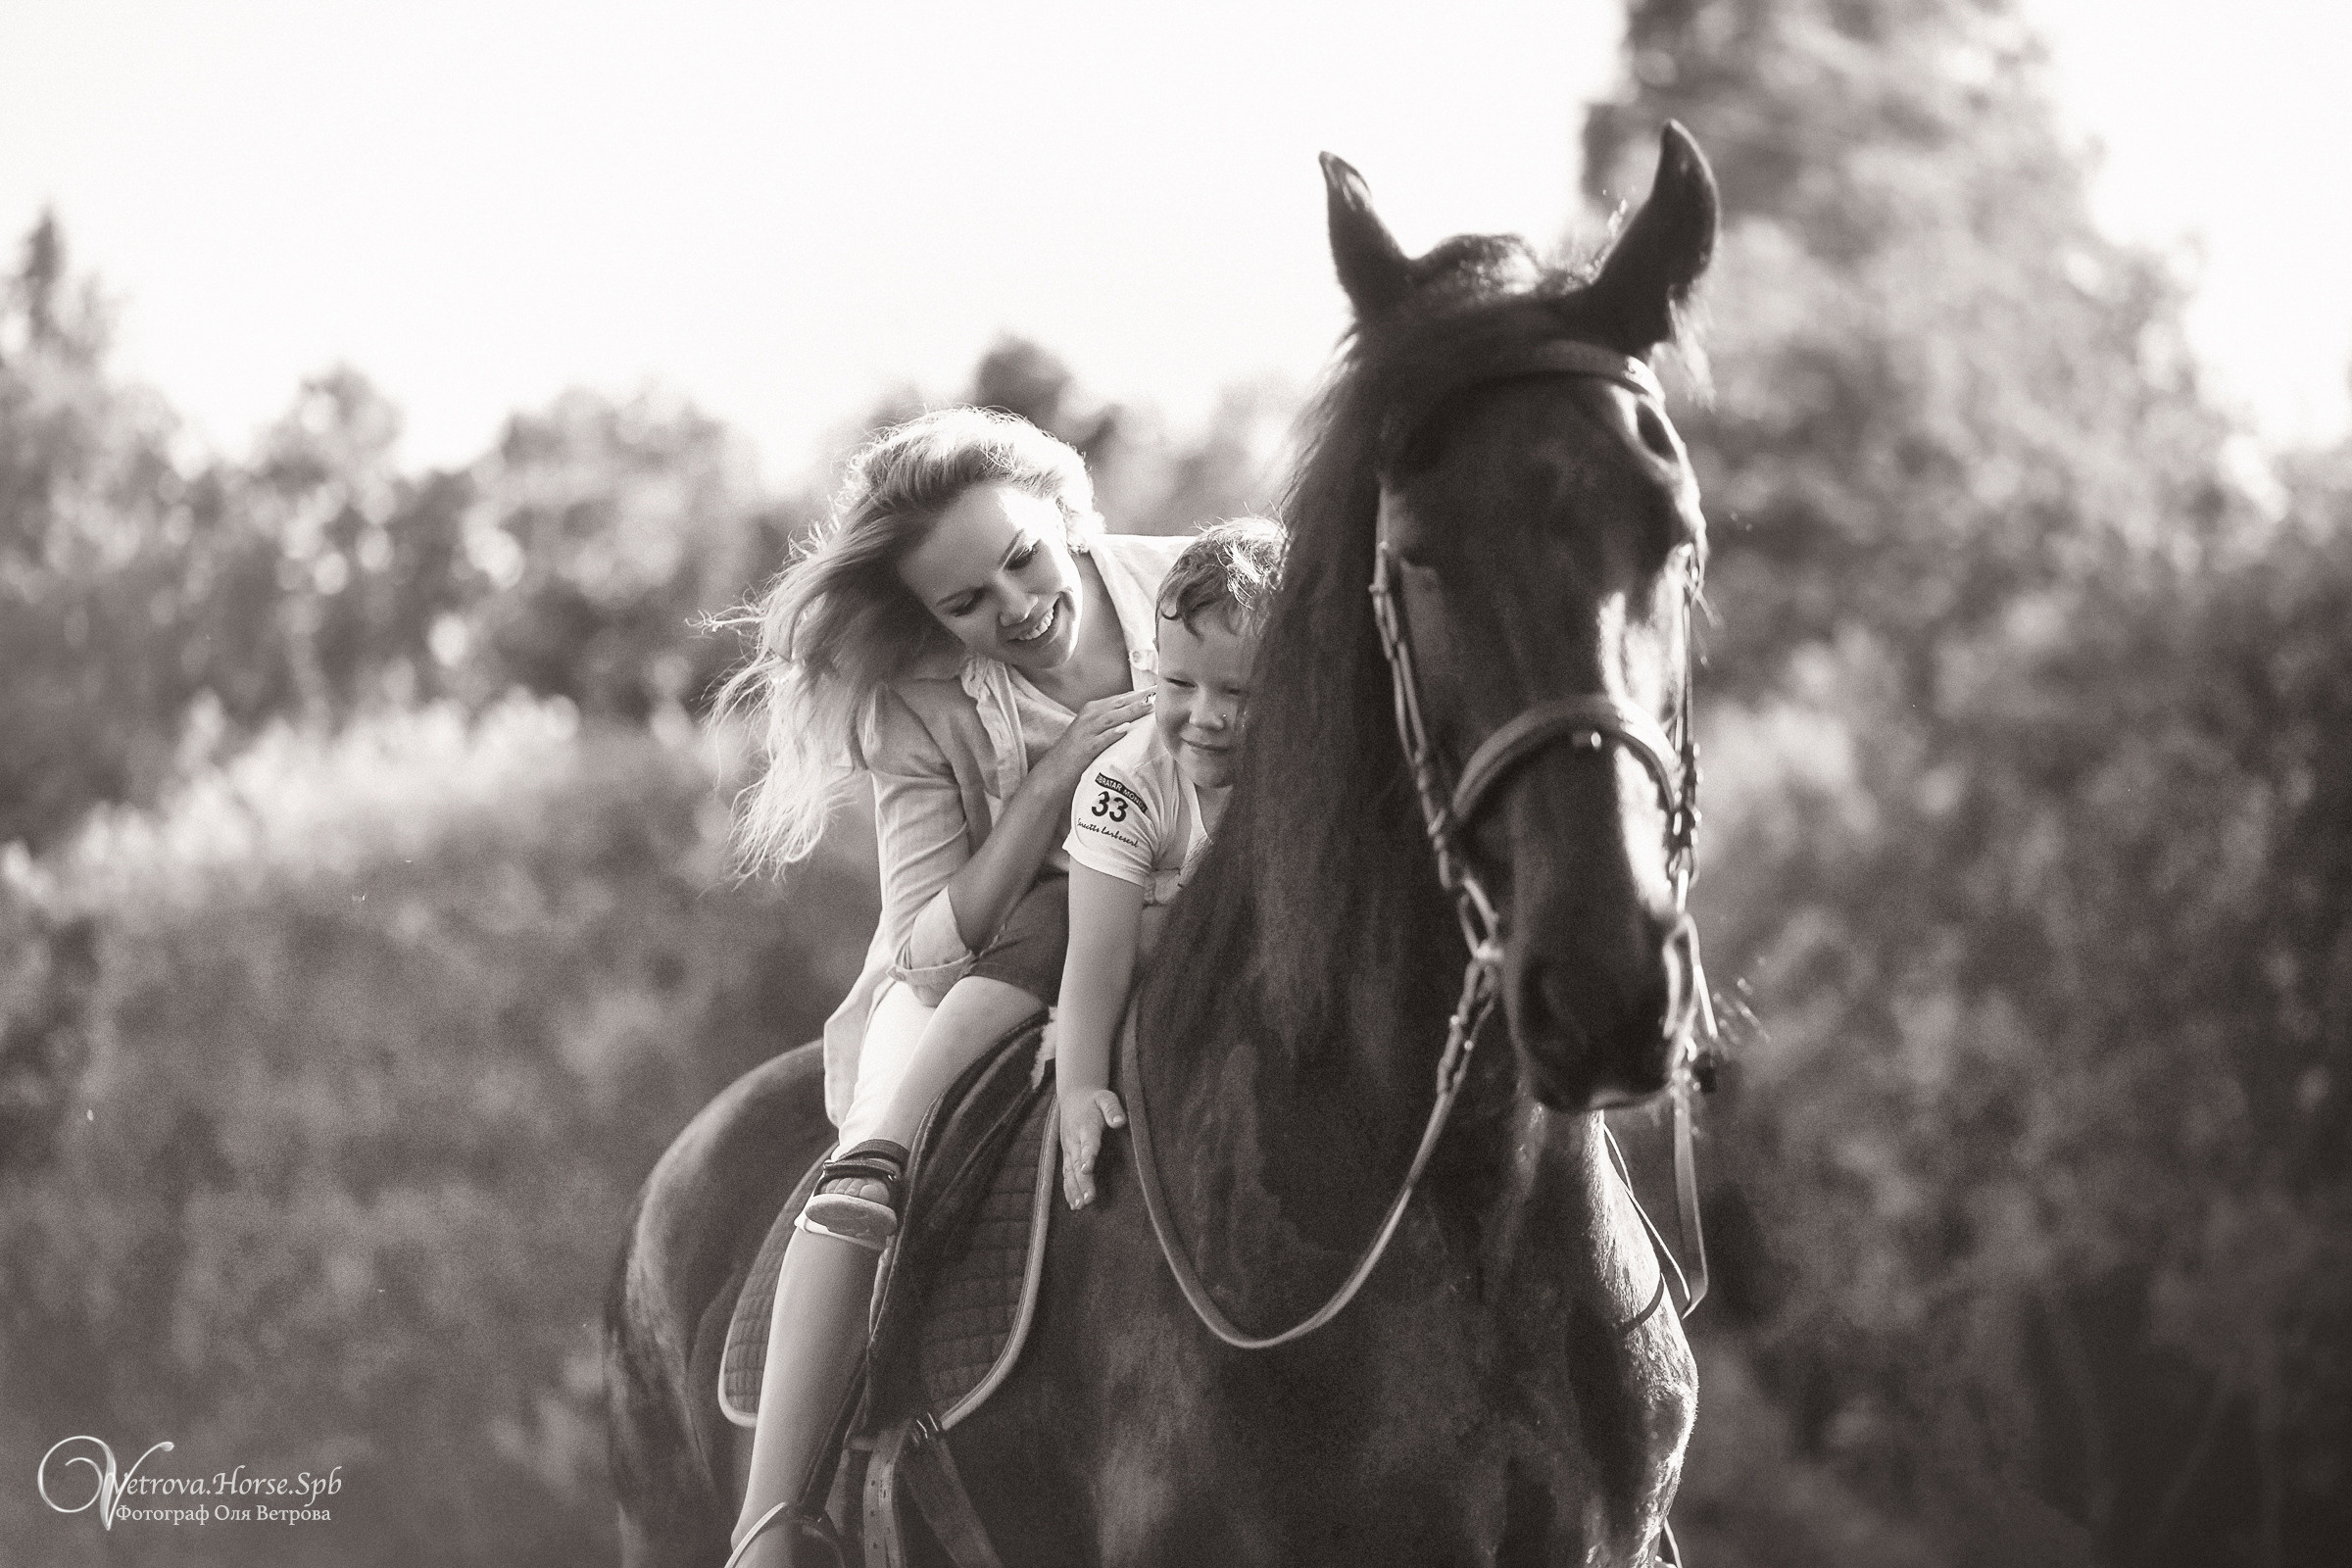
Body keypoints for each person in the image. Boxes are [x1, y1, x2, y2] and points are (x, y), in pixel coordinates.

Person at [720, 408, 1186, 1568]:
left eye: (1022, 558)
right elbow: (929, 940)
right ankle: (770, 1524)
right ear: (930, 619)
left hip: (1188, 902)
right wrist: (1048, 786)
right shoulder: (916, 702)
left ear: (1068, 512)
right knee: (875, 1154)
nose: (1015, 608)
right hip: (981, 962)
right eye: (966, 602)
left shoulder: (1197, 587)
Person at [1053, 517, 1286, 1211]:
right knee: (1150, 936)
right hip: (1156, 982)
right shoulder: (1125, 784)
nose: (1204, 716)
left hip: (1271, 981)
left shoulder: (1317, 772)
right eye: (1179, 684)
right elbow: (1099, 958)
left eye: (1238, 693)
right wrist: (1080, 1091)